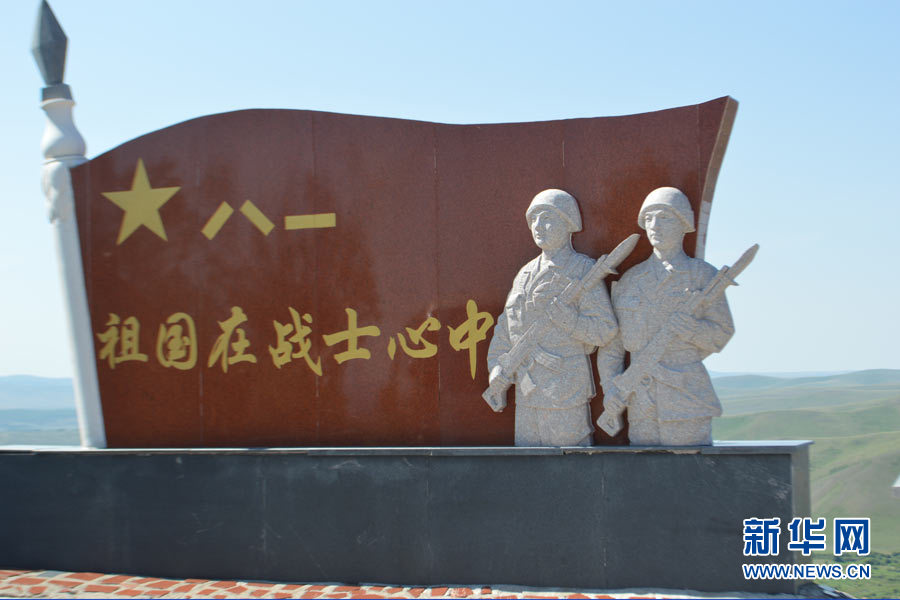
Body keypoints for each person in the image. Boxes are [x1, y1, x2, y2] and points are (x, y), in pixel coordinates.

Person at [597, 187, 734, 445]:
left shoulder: (702, 276)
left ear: (683, 223)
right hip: (641, 402)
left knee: (690, 467)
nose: (654, 226)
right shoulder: (630, 281)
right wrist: (611, 388)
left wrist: (692, 330)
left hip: (687, 397)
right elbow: (612, 346)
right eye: (649, 219)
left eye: (664, 217)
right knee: (645, 468)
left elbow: (722, 333)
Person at [486, 189, 618, 446]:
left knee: (570, 467)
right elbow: (505, 329)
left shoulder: (582, 270)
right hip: (527, 393)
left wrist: (571, 322)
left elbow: (606, 329)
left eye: (546, 218)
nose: (537, 226)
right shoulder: (524, 274)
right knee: (530, 466)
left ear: (568, 222)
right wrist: (497, 369)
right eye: (533, 219)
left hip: (565, 392)